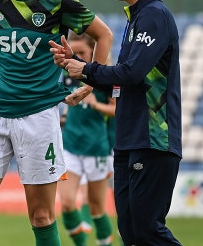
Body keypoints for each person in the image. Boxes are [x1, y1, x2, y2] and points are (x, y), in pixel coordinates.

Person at [0, 0, 114, 246]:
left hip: (38, 118)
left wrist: (92, 80)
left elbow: (104, 35)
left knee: (41, 216)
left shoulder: (56, 0)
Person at [50, 0, 183, 245]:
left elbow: (131, 74)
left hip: (152, 138)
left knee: (147, 230)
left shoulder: (153, 15)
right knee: (132, 232)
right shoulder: (137, 18)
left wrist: (85, 69)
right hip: (129, 138)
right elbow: (122, 79)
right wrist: (79, 67)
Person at [58, 33, 115, 246]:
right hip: (70, 146)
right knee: (67, 204)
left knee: (97, 210)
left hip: (96, 148)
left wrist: (95, 105)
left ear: (93, 51)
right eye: (74, 53)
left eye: (82, 53)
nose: (77, 57)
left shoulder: (104, 77)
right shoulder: (66, 74)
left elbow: (118, 110)